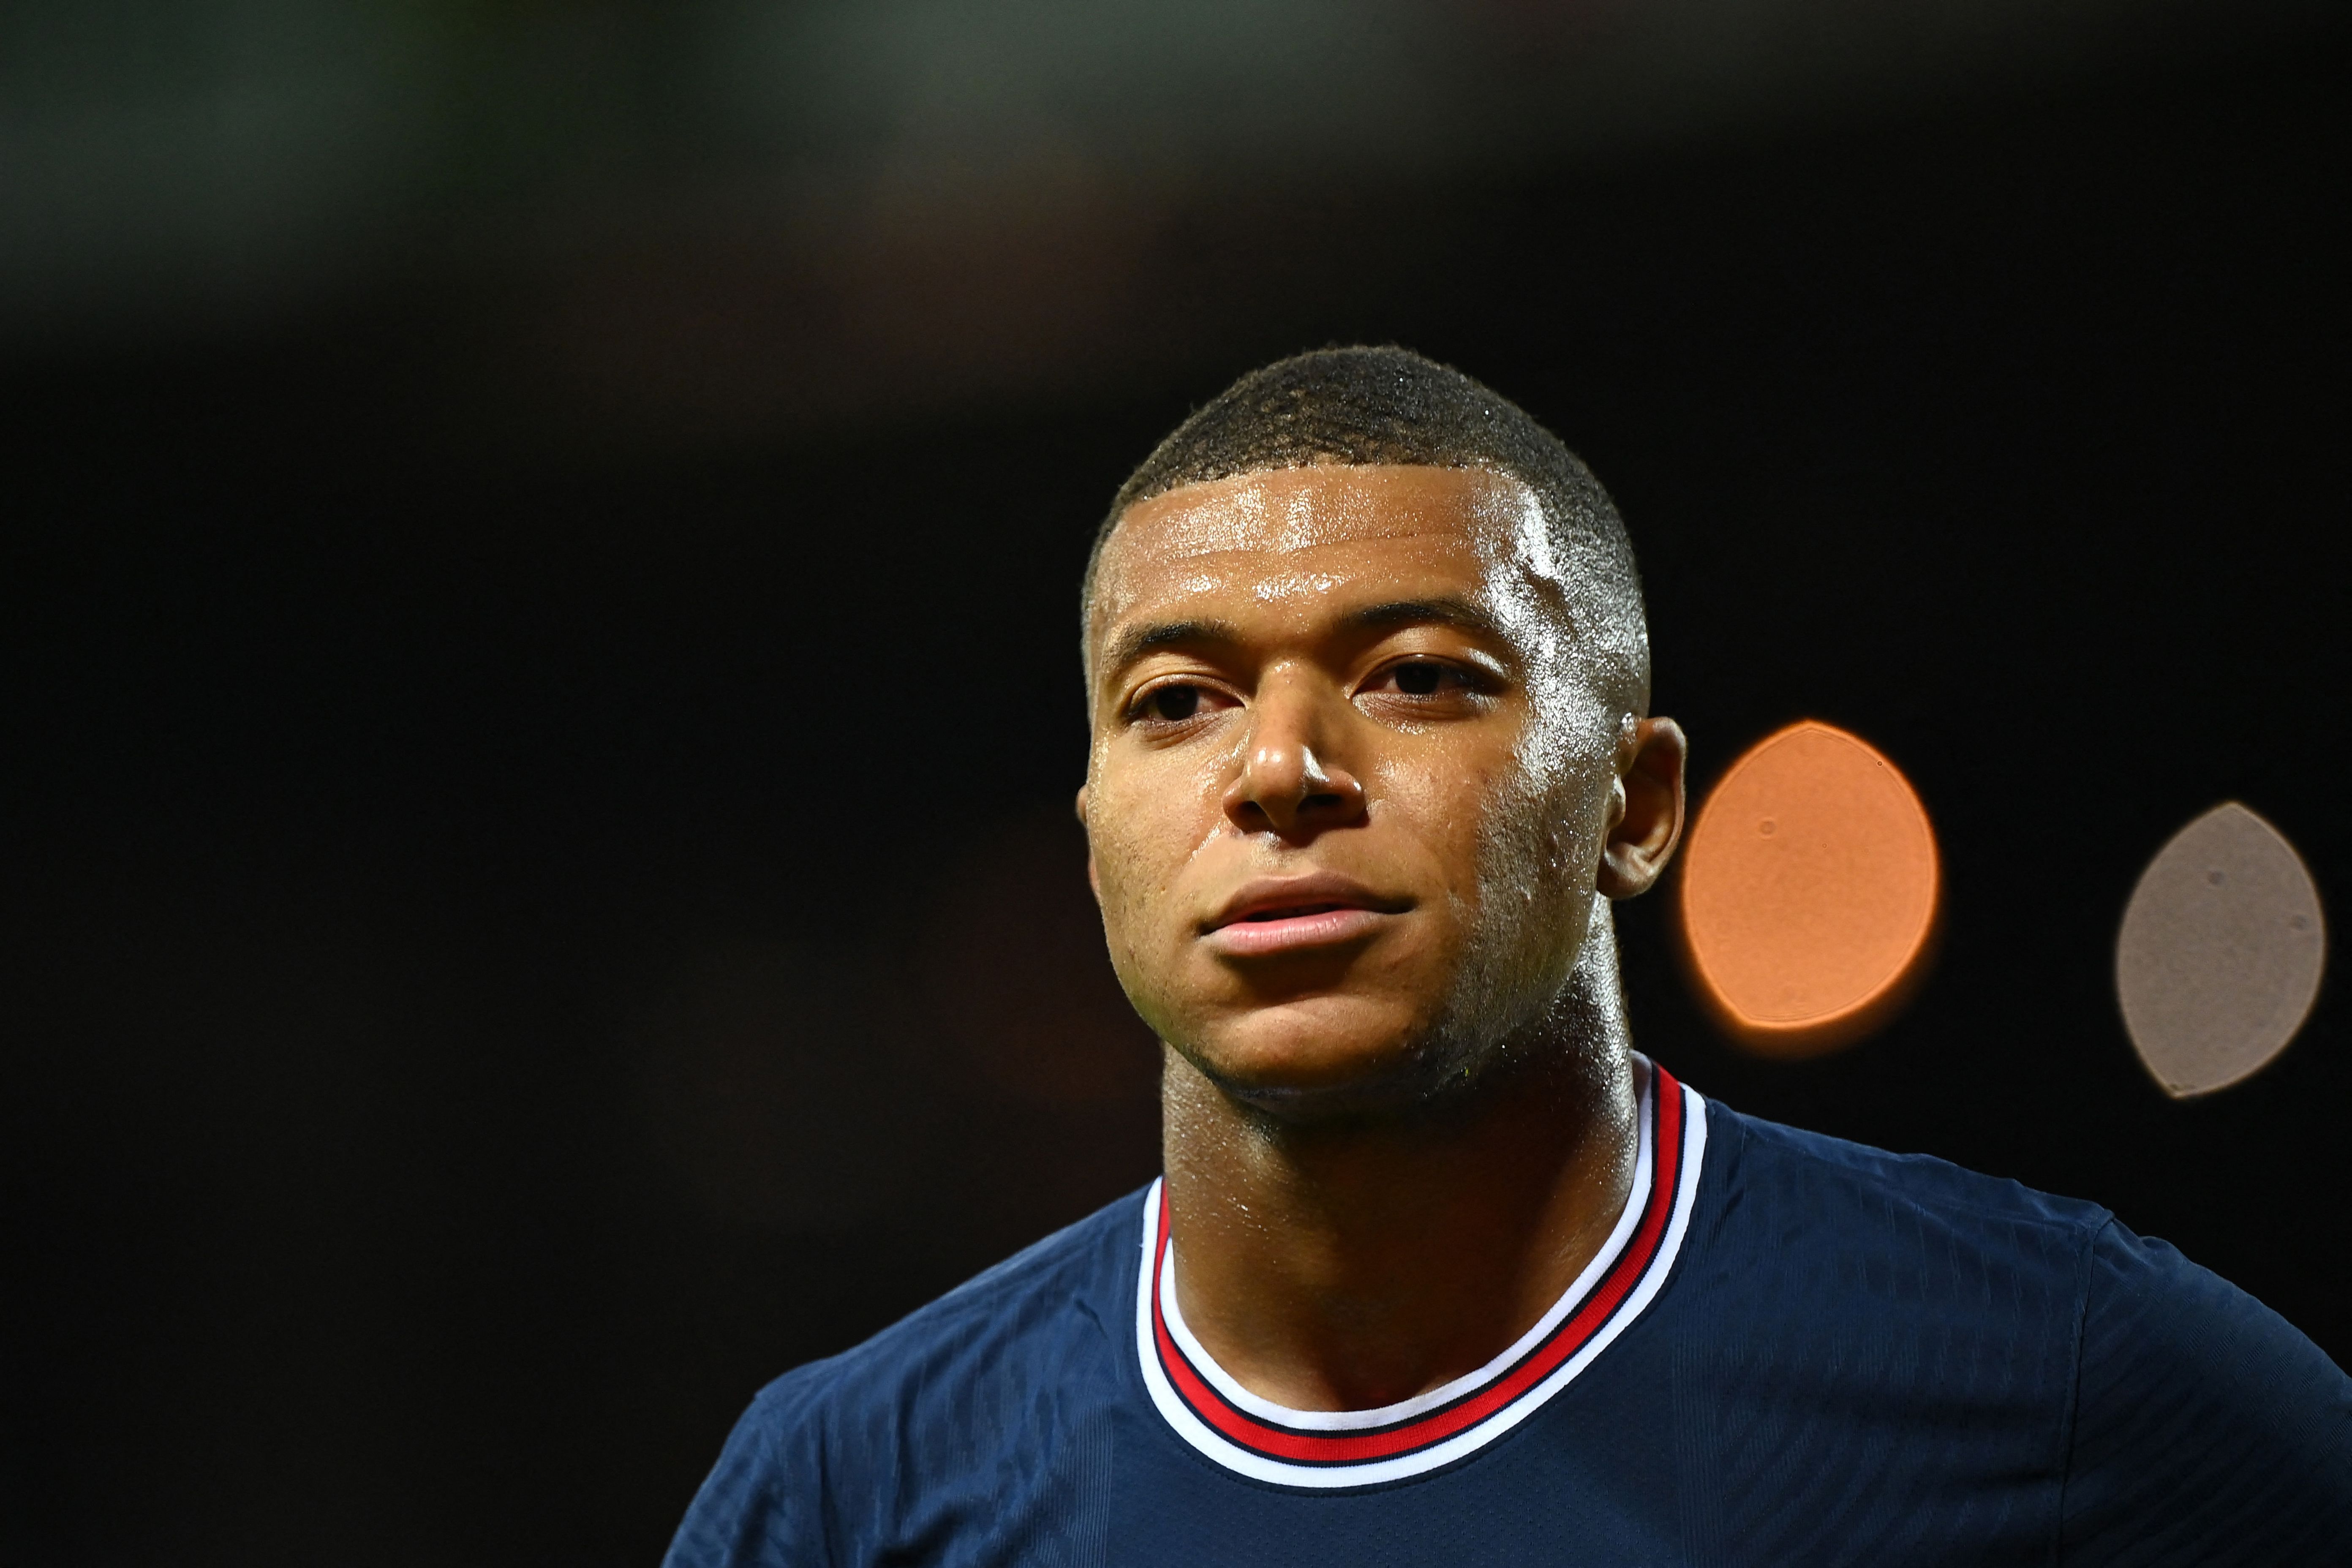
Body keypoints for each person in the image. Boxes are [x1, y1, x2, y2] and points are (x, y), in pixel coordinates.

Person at [665, 347, 2351, 1565]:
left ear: (1635, 801)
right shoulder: (854, 1493)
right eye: (1179, 699)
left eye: (1414, 672)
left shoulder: (2053, 1372)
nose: (1279, 768)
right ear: (1097, 824)